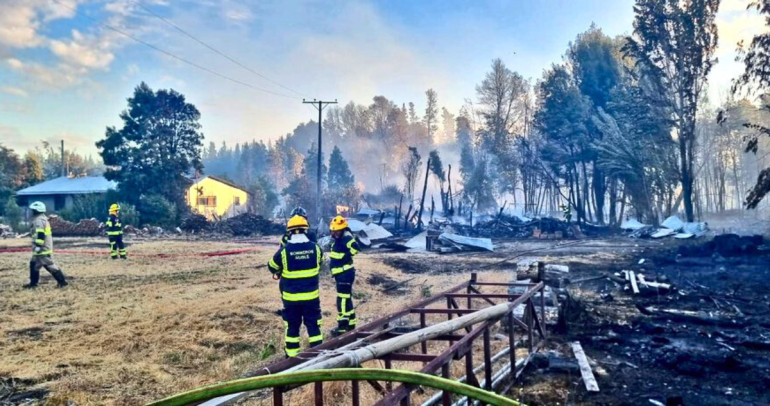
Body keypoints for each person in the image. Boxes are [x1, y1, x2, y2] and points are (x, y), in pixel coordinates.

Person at [267, 215, 324, 357]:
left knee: (292, 327)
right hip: (311, 298)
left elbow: (271, 266)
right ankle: (318, 356)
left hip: (291, 300)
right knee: (313, 326)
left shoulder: (284, 251)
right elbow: (320, 263)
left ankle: (292, 359)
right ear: (306, 230)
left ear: (290, 232)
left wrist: (281, 270)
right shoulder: (316, 249)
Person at [329, 215, 361, 335]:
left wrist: (345, 257)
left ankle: (342, 328)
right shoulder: (339, 240)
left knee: (342, 300)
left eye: (336, 230)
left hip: (344, 274)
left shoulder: (347, 239)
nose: (334, 232)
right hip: (341, 274)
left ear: (342, 229)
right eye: (333, 230)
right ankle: (351, 324)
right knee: (346, 298)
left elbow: (357, 248)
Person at [24, 201, 68, 288]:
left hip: (42, 249)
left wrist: (38, 246)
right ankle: (33, 284)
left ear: (36, 210)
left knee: (49, 265)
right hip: (41, 248)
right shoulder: (41, 218)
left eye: (32, 210)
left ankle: (62, 282)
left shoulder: (38, 220)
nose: (31, 211)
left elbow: (40, 234)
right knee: (33, 264)